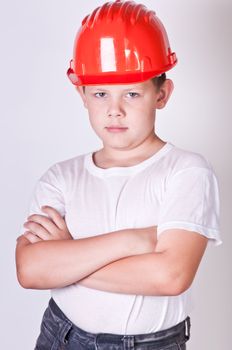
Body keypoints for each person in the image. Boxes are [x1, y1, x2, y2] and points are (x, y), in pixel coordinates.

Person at [15, 1, 221, 349]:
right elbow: (30, 271)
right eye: (100, 94)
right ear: (81, 94)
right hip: (61, 335)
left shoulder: (186, 172)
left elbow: (170, 275)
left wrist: (69, 258)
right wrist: (133, 241)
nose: (114, 110)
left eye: (131, 93)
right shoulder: (62, 177)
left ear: (162, 94)